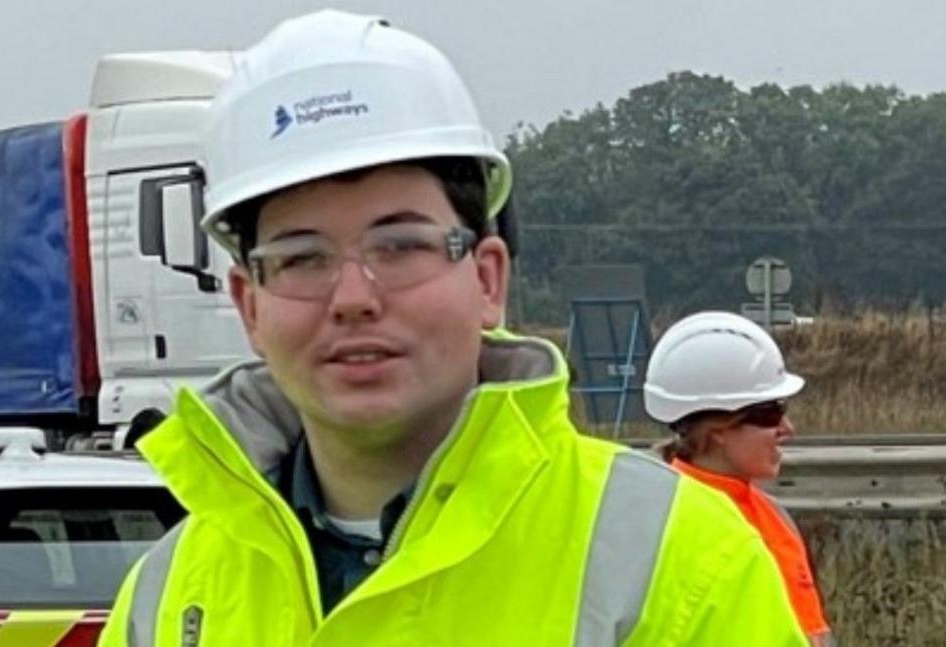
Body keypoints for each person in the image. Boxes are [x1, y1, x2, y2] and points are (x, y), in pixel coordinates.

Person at [100, 11, 808, 646]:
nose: (352, 297)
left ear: (488, 279)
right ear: (249, 303)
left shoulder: (679, 562)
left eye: (399, 245)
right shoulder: (165, 600)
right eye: (302, 257)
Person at [644, 311, 833, 646]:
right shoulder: (658, 526)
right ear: (717, 430)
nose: (787, 429)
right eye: (769, 414)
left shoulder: (774, 517)